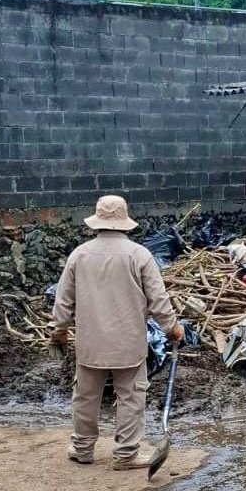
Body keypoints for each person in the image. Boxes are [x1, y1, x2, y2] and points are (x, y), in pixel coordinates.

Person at [50, 195, 183, 470]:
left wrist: (59, 331)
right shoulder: (139, 255)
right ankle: (126, 454)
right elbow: (158, 299)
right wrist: (172, 327)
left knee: (86, 397)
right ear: (125, 223)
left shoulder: (80, 255)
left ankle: (83, 449)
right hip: (128, 343)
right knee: (131, 397)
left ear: (96, 222)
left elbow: (63, 300)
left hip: (90, 343)